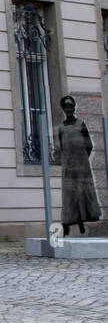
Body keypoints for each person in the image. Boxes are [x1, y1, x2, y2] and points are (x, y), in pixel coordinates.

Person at [57, 95, 101, 236]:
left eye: (70, 107)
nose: (69, 109)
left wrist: (82, 159)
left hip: (81, 165)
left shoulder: (80, 124)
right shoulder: (62, 128)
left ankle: (85, 219)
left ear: (74, 108)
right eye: (66, 107)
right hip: (69, 167)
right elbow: (61, 147)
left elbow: (89, 145)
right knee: (70, 194)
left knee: (83, 192)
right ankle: (68, 222)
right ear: (64, 109)